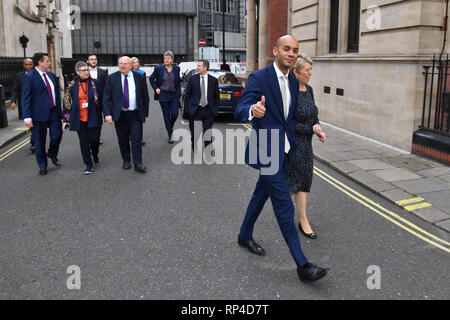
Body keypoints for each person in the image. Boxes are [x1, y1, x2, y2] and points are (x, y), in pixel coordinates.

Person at [234, 35, 329, 282]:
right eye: (286, 49)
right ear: (275, 50)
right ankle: (302, 265)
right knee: (284, 207)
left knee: (260, 194)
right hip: (266, 152)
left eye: (295, 50)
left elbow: (291, 119)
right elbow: (240, 108)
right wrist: (252, 110)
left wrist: (312, 130)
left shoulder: (293, 82)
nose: (291, 53)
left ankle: (245, 234)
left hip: (287, 151)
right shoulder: (259, 78)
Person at [285, 55, 326, 240]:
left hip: (306, 146)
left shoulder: (308, 90)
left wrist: (317, 128)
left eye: (311, 70)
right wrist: (310, 129)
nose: (310, 73)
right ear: (296, 72)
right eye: (307, 70)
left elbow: (313, 114)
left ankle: (303, 220)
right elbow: (288, 123)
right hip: (292, 145)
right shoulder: (288, 93)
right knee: (292, 184)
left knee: (304, 182)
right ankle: (286, 216)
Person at [103, 56, 149, 173]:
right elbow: (106, 97)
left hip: (135, 114)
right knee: (122, 139)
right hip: (120, 115)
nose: (122, 65)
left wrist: (144, 113)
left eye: (125, 63)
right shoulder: (112, 78)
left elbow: (145, 97)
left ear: (131, 65)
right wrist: (107, 114)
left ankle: (138, 163)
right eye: (120, 63)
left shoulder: (139, 77)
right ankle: (126, 160)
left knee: (136, 139)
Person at [21, 52, 63, 175]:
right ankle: (43, 165)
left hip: (54, 112)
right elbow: (25, 97)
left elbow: (56, 95)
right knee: (39, 142)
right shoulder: (30, 77)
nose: (50, 62)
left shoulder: (50, 75)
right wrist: (27, 117)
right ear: (40, 62)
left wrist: (61, 113)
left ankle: (52, 154)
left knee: (57, 135)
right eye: (47, 60)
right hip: (38, 115)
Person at [62, 61, 103, 174]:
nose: (86, 72)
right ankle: (88, 164)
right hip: (79, 119)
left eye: (87, 70)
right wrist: (65, 119)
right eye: (83, 70)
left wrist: (108, 114)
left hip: (94, 117)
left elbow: (103, 99)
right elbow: (66, 103)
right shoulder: (72, 85)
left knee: (95, 140)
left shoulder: (96, 83)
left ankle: (94, 154)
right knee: (83, 142)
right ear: (77, 72)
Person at [185, 59, 219, 152]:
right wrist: (188, 108)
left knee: (207, 131)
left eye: (199, 66)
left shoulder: (214, 80)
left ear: (205, 67)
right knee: (195, 132)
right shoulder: (193, 79)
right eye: (197, 66)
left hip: (208, 110)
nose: (197, 68)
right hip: (195, 110)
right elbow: (187, 94)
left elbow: (217, 96)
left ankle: (208, 147)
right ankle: (194, 143)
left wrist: (214, 108)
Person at [149, 51, 181, 144]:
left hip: (174, 95)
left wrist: (178, 92)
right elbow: (151, 79)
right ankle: (170, 135)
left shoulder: (176, 68)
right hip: (163, 95)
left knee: (175, 114)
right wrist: (156, 88)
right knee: (166, 115)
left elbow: (178, 81)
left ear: (172, 59)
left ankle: (170, 127)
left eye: (168, 58)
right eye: (165, 58)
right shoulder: (159, 68)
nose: (166, 60)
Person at [11, 58, 35, 152]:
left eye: (30, 64)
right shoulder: (19, 76)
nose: (28, 66)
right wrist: (13, 101)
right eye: (26, 65)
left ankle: (34, 142)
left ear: (33, 64)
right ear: (23, 66)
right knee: (31, 124)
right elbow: (15, 89)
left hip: (36, 104)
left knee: (36, 123)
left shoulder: (37, 74)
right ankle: (35, 141)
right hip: (25, 105)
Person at [87, 54, 108, 145]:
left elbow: (106, 86)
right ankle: (89, 137)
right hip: (86, 100)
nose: (93, 61)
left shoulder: (102, 72)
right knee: (87, 119)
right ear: (87, 61)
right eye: (91, 59)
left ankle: (97, 137)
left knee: (98, 120)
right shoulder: (84, 71)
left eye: (95, 59)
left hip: (99, 100)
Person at [131, 57, 147, 146]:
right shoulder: (127, 73)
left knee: (139, 120)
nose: (136, 64)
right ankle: (131, 136)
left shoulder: (142, 73)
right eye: (134, 63)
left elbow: (144, 88)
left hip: (139, 99)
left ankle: (140, 138)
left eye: (137, 62)